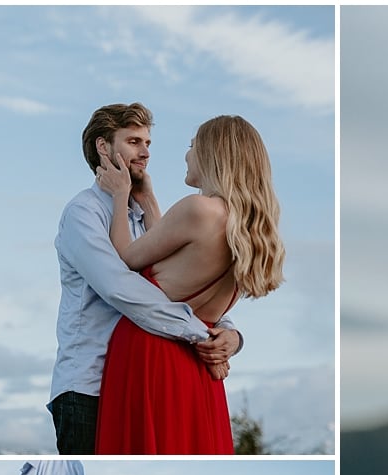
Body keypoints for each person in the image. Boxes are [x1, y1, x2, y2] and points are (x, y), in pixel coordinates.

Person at [51, 102, 244, 455]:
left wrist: (229, 333)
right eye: (134, 141)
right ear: (104, 147)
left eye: (148, 144)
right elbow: (121, 289)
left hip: (143, 378)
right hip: (89, 387)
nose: (145, 152)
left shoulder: (145, 215)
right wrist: (202, 334)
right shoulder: (84, 213)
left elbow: (181, 288)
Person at [92, 114, 286, 454]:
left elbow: (126, 257)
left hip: (149, 357)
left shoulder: (199, 209)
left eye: (193, 145)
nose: (187, 155)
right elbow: (175, 258)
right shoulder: (250, 232)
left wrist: (120, 195)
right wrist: (149, 201)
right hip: (200, 370)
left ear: (213, 154)